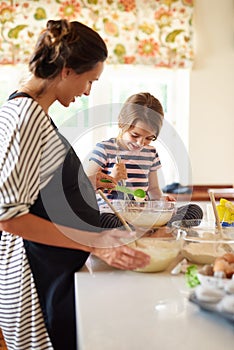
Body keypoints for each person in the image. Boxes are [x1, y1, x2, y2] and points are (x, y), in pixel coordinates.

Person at [0, 20, 150, 350]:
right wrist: (96, 243)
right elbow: (9, 217)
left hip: (52, 274)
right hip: (35, 284)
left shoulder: (35, 115)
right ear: (67, 70)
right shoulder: (25, 118)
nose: (87, 92)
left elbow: (44, 193)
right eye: (89, 80)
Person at [87, 92, 203, 228]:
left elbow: (153, 189)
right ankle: (156, 232)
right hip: (115, 215)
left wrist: (161, 201)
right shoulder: (105, 149)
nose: (140, 143)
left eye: (149, 138)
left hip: (143, 216)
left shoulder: (151, 153)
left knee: (194, 210)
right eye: (135, 135)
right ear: (121, 122)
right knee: (106, 219)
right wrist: (111, 178)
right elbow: (84, 185)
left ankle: (152, 231)